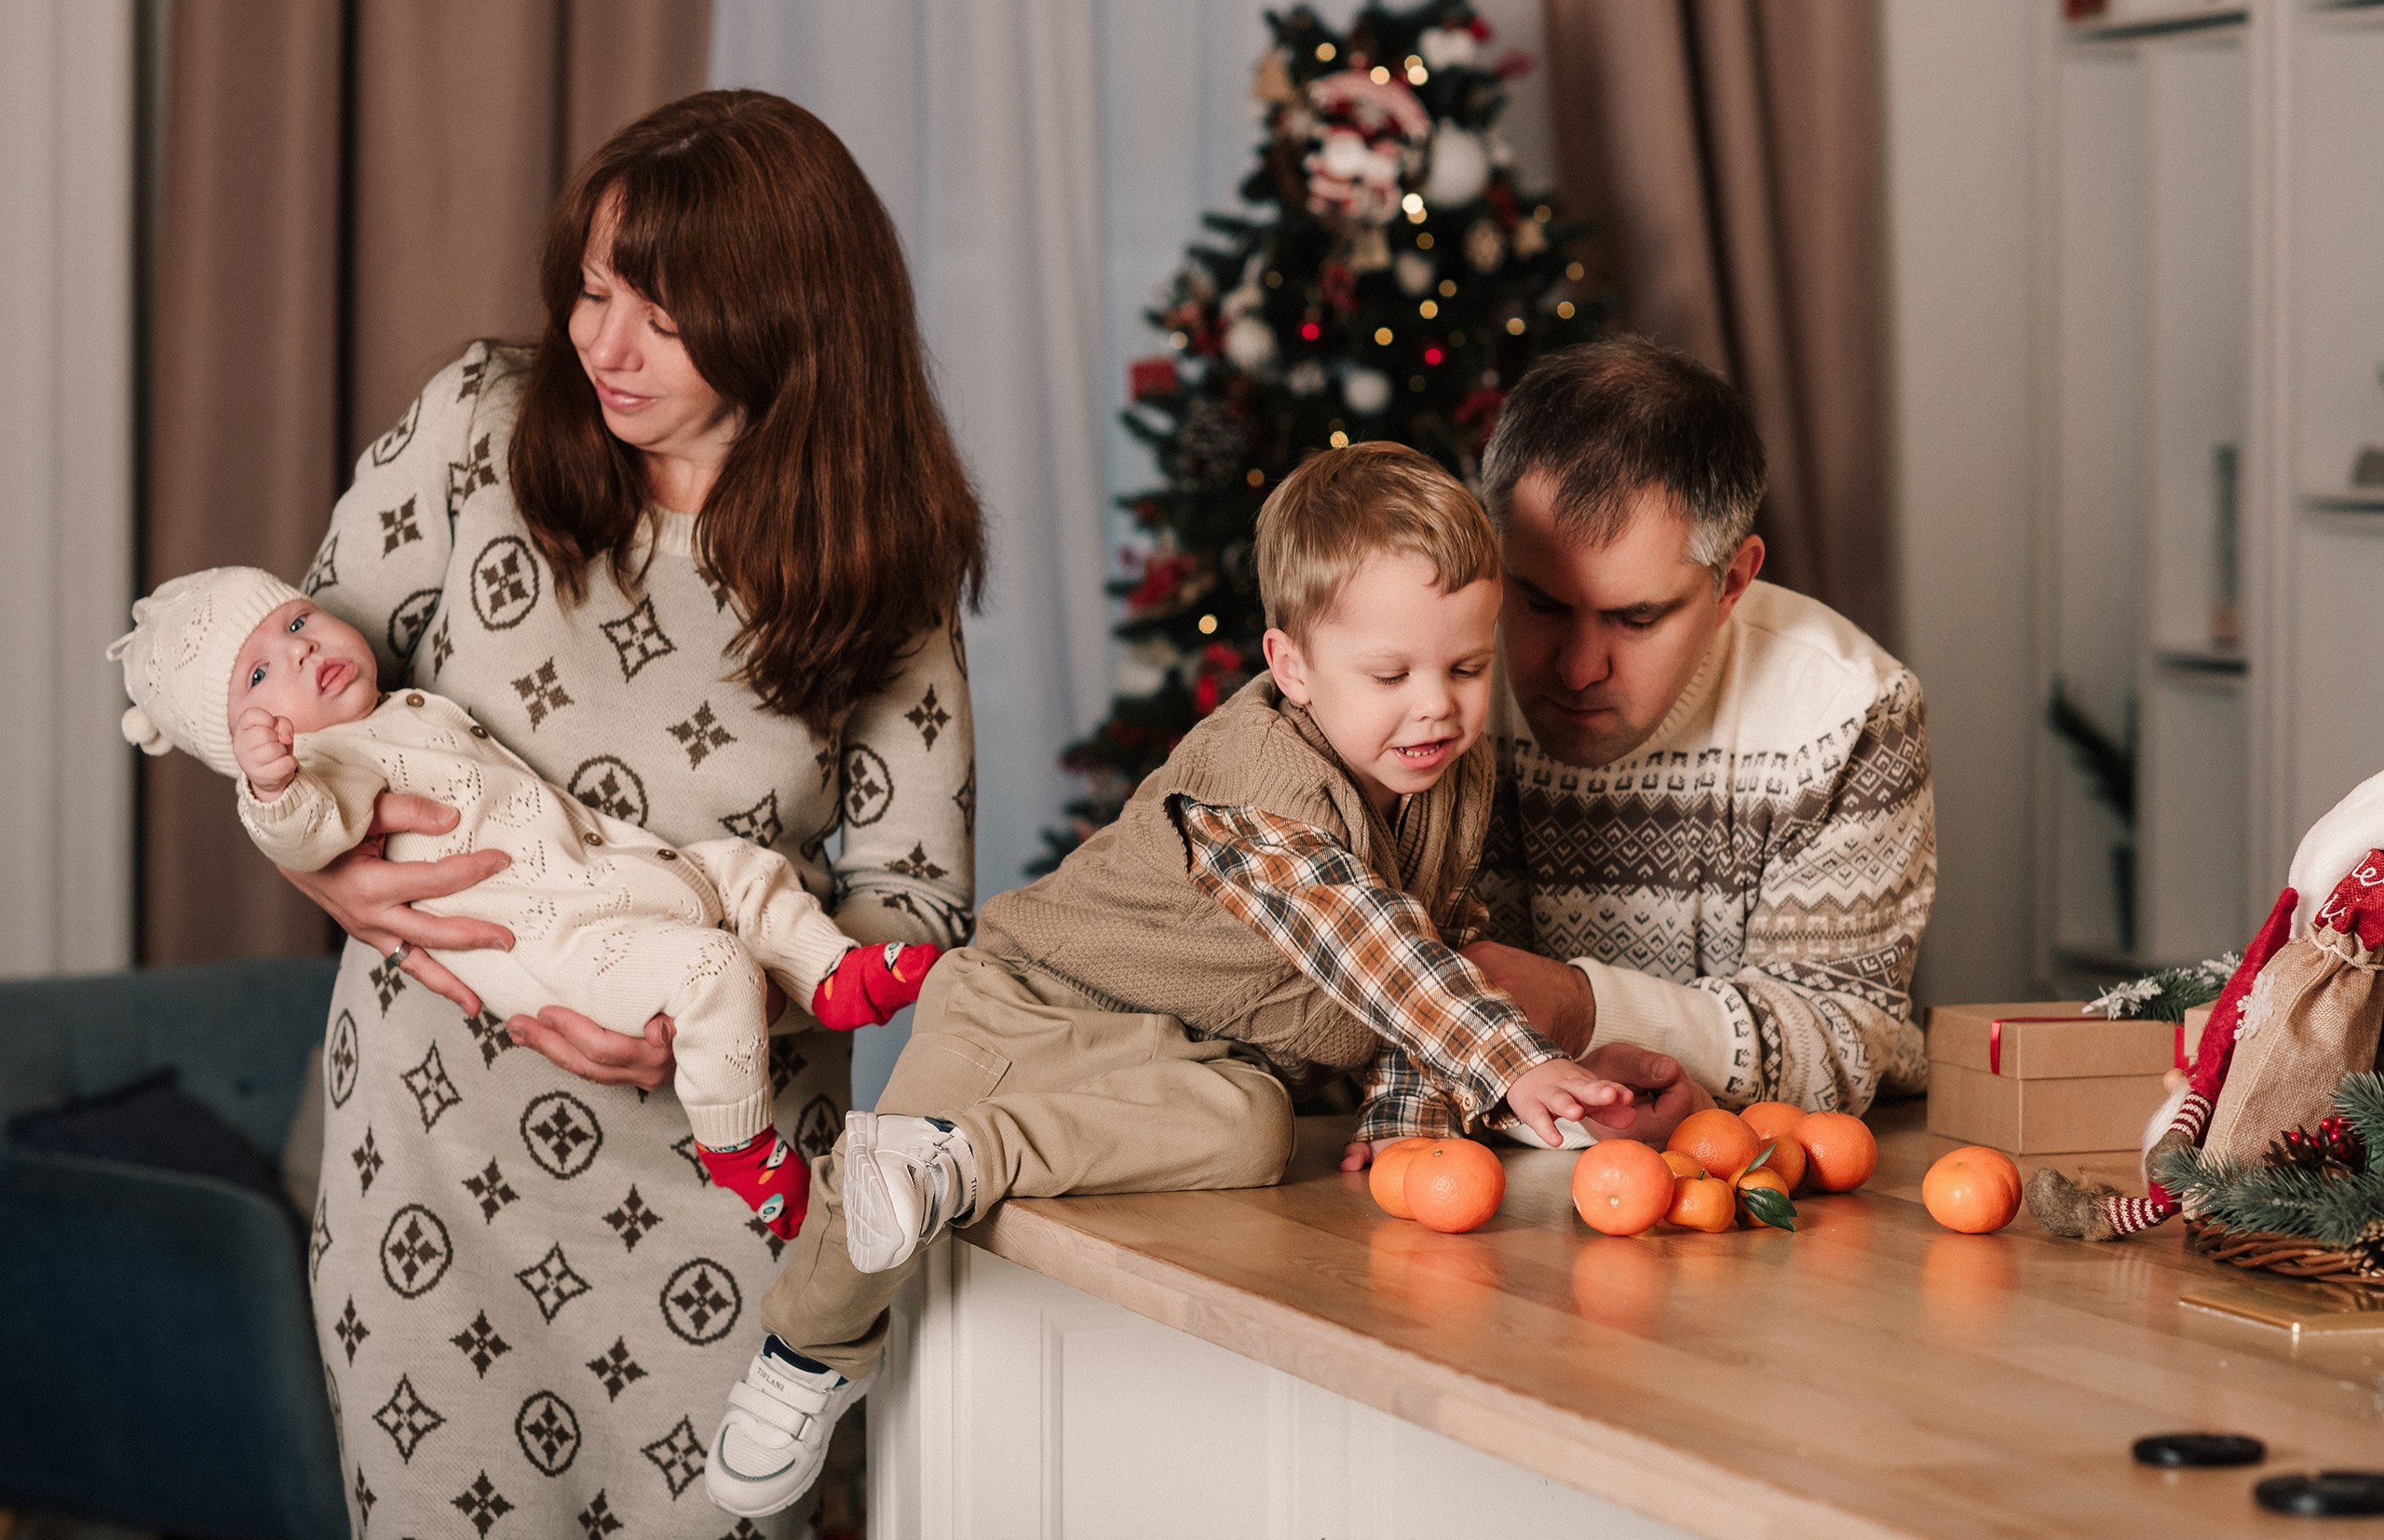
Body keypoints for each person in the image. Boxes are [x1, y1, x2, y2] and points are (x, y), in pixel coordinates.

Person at [278, 92, 981, 1538]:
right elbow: (284, 704)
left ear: (788, 316)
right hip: (426, 1158)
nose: (605, 345)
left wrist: (705, 1018)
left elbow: (917, 904)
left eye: (663, 315)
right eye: (595, 291)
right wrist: (336, 882)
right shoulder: (474, 430)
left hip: (719, 1193)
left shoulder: (879, 567)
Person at [701, 441, 1641, 1519]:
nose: (1435, 708)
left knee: (1252, 1128)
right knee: (871, 1222)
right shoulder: (1258, 785)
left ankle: (959, 1157)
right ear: (1290, 665)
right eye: (1390, 675)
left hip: (1185, 1054)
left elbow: (1429, 931)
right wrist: (1512, 1058)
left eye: (1465, 669)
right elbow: (1368, 940)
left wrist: (1408, 1118)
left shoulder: (1446, 774)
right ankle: (803, 1352)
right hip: (1026, 1004)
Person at [109, 567, 941, 1236]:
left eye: (296, 622)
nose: (298, 652)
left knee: (747, 871)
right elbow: (303, 833)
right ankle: (741, 1145)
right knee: (714, 965)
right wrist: (270, 786)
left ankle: (831, 973)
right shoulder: (325, 763)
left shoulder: (394, 710)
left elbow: (924, 880)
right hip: (546, 941)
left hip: (609, 872)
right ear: (249, 742)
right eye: (260, 673)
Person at [1456, 337, 1935, 1130]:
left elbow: (1847, 1034)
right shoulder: (1427, 676)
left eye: (1635, 617)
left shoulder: (1850, 707)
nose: (1577, 668)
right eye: (1538, 602)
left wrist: (1584, 1011)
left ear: (1732, 584)